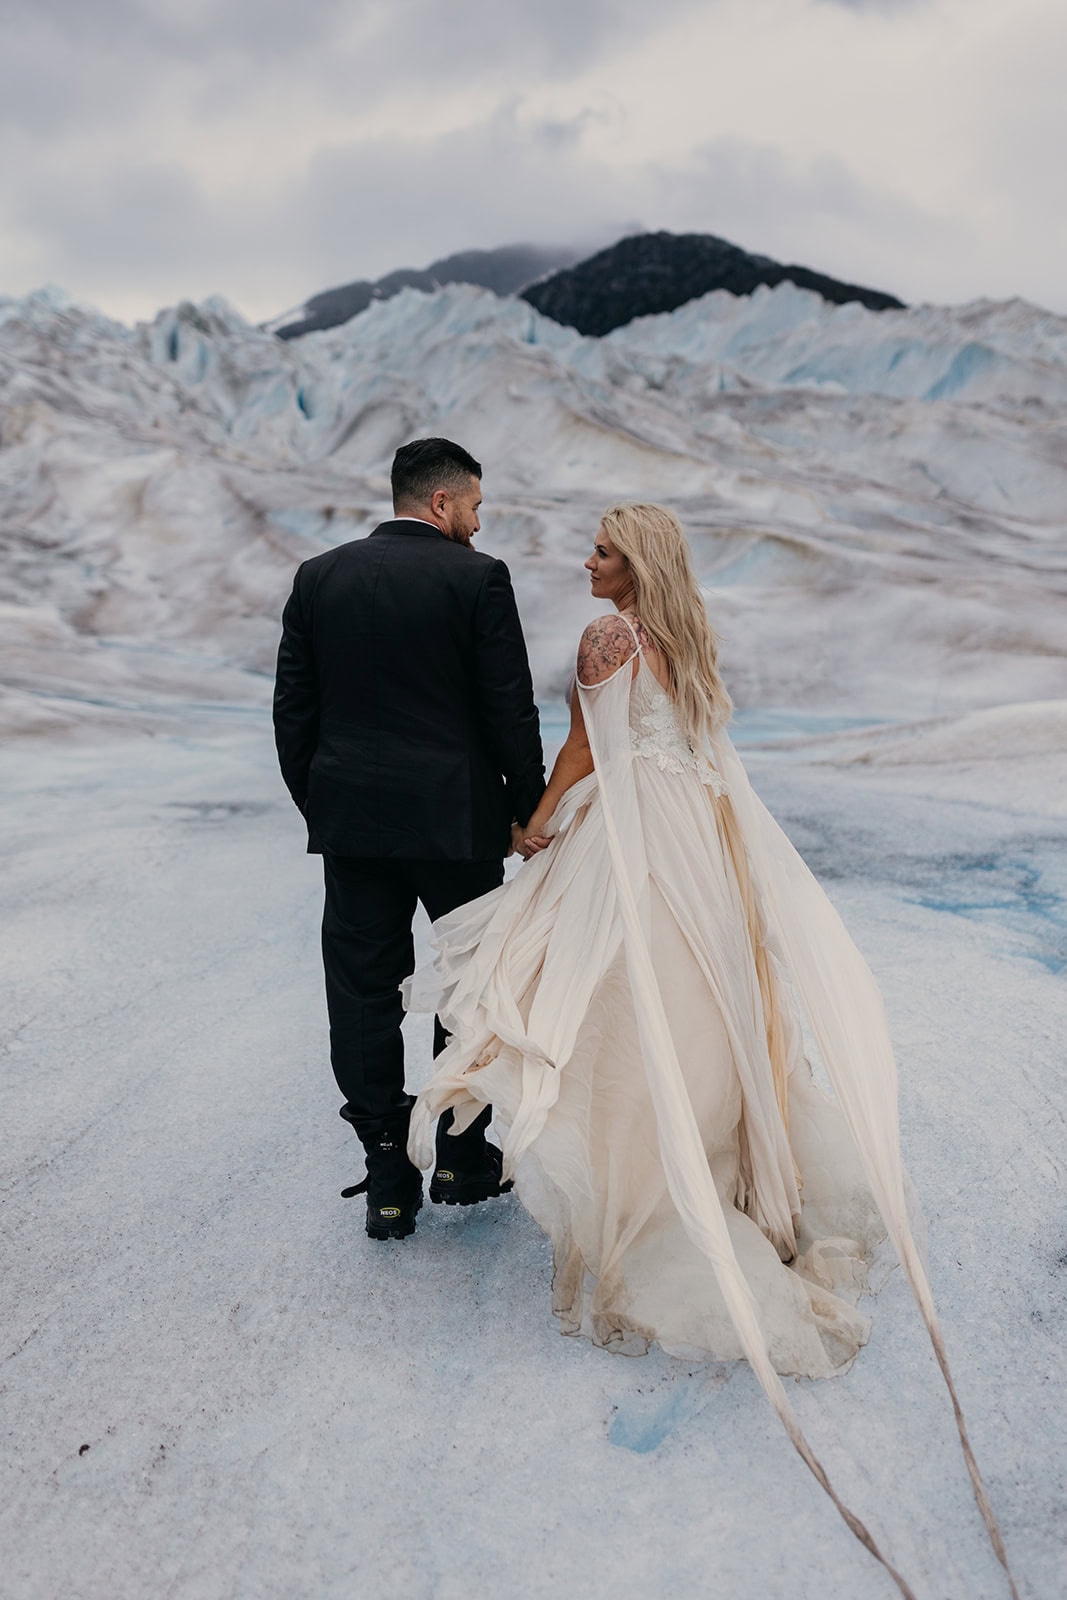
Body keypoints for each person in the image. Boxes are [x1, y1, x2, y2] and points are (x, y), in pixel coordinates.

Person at [405, 503, 1017, 1598]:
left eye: (599, 550)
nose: (585, 562)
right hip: (700, 849)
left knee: (610, 1011)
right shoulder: (686, 634)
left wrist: (535, 820)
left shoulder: (606, 639)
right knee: (697, 1016)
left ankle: (650, 1198)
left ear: (630, 566)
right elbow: (694, 752)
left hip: (631, 850)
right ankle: (720, 1169)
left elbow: (590, 747)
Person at [273, 437, 544, 1241]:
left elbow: (295, 710)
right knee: (468, 983)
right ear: (440, 503)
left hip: (352, 822)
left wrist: (322, 801)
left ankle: (390, 1173)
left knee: (360, 992)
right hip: (457, 823)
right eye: (473, 506)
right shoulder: (477, 578)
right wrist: (523, 809)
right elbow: (509, 708)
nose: (477, 521)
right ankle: (461, 1155)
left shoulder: (318, 577)